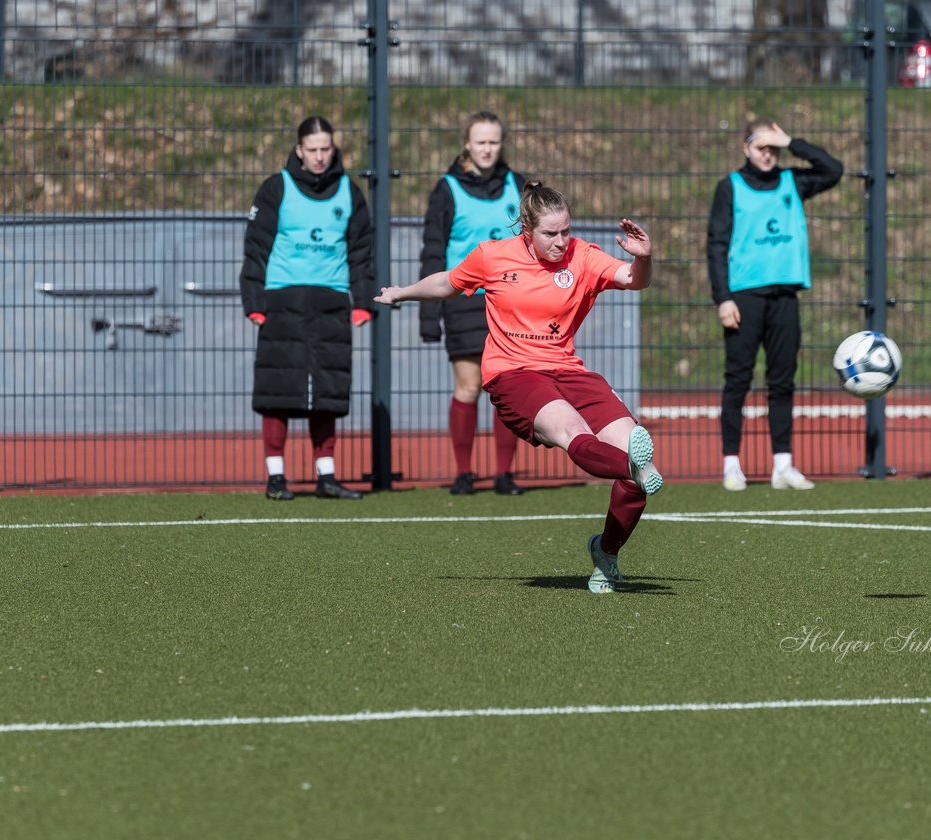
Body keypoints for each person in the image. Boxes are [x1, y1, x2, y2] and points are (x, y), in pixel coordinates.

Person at [376, 180, 662, 594]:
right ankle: (632, 463)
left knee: (635, 457)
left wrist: (645, 258)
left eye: (566, 230)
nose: (561, 241)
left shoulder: (583, 255)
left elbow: (635, 280)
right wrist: (402, 293)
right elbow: (448, 283)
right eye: (551, 233)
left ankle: (607, 552)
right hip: (513, 375)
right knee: (573, 433)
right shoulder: (493, 256)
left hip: (568, 370)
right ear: (526, 231)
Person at [239, 115, 374, 501]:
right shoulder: (275, 189)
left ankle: (326, 477)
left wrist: (362, 301)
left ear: (334, 149)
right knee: (277, 389)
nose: (319, 157)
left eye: (325, 149)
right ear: (299, 150)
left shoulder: (350, 192)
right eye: (311, 149)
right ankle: (276, 477)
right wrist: (254, 301)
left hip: (331, 300)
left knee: (329, 389)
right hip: (282, 300)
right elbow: (256, 248)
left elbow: (360, 253)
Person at [707, 118, 842, 492]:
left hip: (785, 296)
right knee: (738, 380)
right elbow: (716, 245)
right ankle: (731, 464)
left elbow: (834, 170)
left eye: (772, 147)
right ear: (745, 149)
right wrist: (723, 298)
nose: (767, 154)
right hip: (744, 297)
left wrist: (790, 139)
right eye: (759, 146)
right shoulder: (729, 188)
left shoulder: (791, 182)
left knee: (782, 382)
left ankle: (783, 465)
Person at [419, 112, 527, 496]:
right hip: (465, 301)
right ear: (467, 143)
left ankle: (503, 474)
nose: (487, 148)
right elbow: (433, 252)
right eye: (480, 141)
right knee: (469, 386)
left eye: (494, 142)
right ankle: (464, 472)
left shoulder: (519, 186)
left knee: (507, 388)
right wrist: (428, 314)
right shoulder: (447, 188)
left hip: (512, 303)